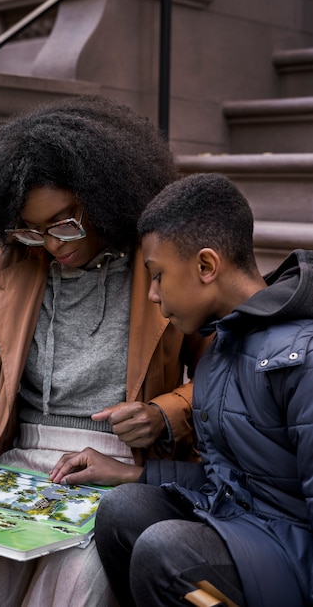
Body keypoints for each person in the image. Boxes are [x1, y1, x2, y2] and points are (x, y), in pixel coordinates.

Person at [0, 96, 210, 607]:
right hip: (17, 462)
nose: (52, 245)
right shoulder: (11, 262)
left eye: (65, 222)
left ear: (103, 194)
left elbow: (231, 374)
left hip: (117, 463)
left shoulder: (159, 260)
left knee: (73, 582)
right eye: (32, 229)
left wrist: (164, 413)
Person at [94, 172, 313, 607]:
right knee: (122, 510)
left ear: (206, 266)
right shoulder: (220, 347)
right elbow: (229, 483)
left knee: (168, 552)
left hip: (295, 556)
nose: (154, 295)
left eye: (158, 276)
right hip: (247, 526)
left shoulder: (300, 355)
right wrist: (136, 474)